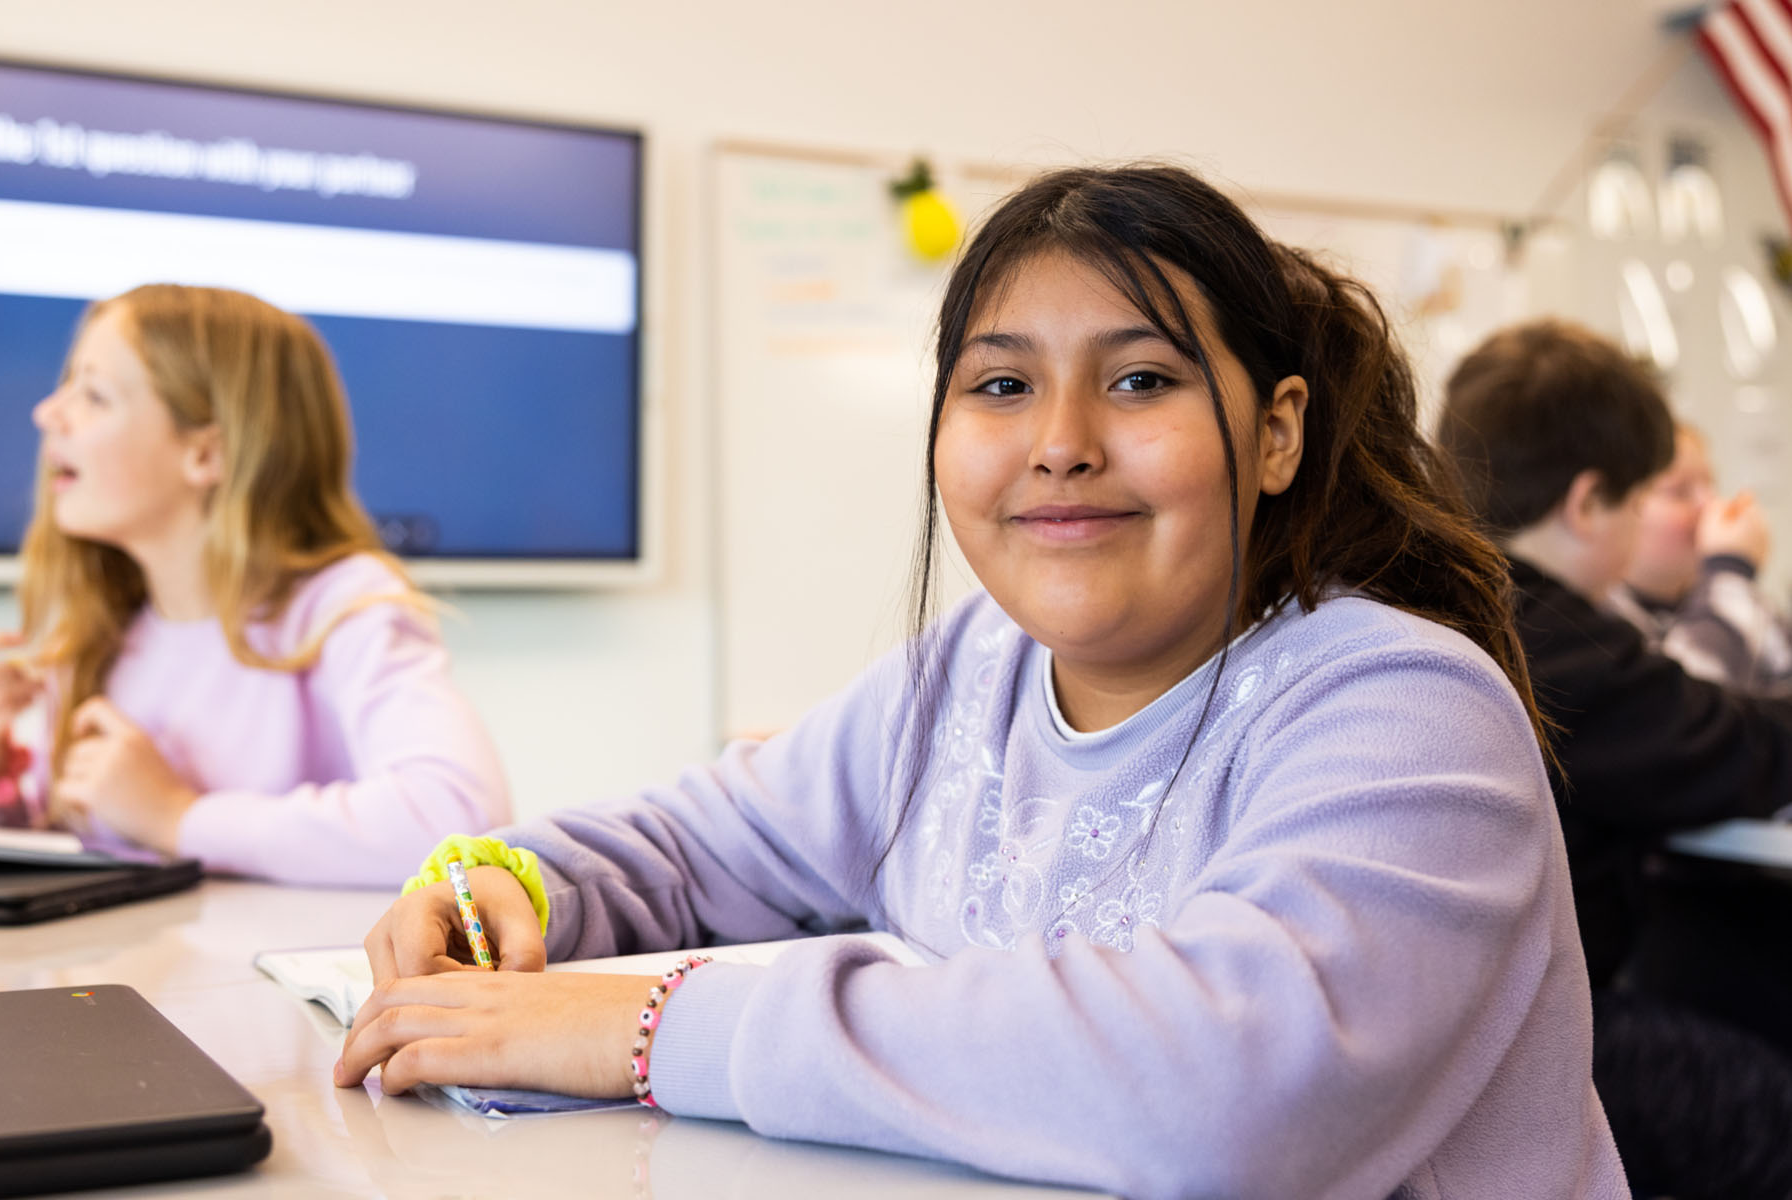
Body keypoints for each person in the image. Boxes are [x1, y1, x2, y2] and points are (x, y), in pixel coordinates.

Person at [334, 166, 1623, 1197]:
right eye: (1001, 385)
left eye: (1140, 381)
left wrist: (649, 1029)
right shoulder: (969, 673)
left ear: (1276, 430)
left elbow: (1223, 1096)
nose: (1060, 445)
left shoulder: (1402, 704)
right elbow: (687, 844)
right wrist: (497, 880)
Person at [0, 284, 510, 887]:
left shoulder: (342, 609)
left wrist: (181, 817)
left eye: (94, 395)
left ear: (207, 454)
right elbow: (75, 866)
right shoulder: (100, 632)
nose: (47, 413)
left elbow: (461, 820)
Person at [1440, 319, 1792, 1198]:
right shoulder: (1540, 635)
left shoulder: (1454, 595)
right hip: (1526, 1048)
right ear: (1589, 500)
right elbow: (1727, 744)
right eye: (1647, 499)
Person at [1610, 422, 1792, 696]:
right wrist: (1730, 569)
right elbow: (1683, 704)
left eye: (1711, 485)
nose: (1711, 504)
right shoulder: (1606, 622)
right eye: (1680, 491)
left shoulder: (1738, 603)